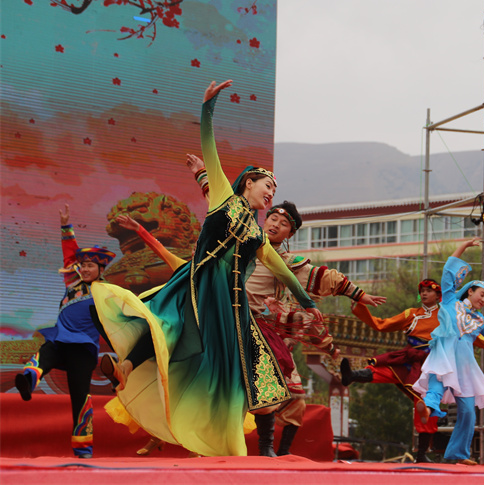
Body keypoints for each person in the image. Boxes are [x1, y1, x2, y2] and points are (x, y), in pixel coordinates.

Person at [91, 79, 318, 457]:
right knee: (167, 324)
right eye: (267, 186)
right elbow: (209, 149)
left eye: (274, 192)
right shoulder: (224, 198)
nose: (270, 194)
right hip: (199, 285)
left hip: (232, 309)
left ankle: (256, 446)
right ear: (249, 182)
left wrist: (307, 302)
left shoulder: (258, 235)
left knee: (247, 371)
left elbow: (283, 271)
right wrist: (207, 107)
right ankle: (127, 366)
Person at [187, 153, 386, 457]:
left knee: (267, 387)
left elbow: (324, 277)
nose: (275, 225)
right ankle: (205, 445)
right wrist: (202, 173)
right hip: (220, 318)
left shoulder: (287, 261)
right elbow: (220, 206)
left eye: (283, 224)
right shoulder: (244, 236)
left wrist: (358, 295)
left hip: (253, 325)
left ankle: (269, 450)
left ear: (290, 234)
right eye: (273, 219)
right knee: (211, 380)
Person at [14, 205, 116, 458]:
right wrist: (65, 225)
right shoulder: (73, 282)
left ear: (101, 269)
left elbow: (117, 322)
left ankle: (83, 448)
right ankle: (28, 381)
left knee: (80, 397)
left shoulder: (106, 292)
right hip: (60, 341)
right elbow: (70, 255)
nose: (85, 269)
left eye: (90, 266)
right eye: (84, 265)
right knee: (43, 355)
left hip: (83, 349)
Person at [411, 238, 484, 465]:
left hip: (465, 366)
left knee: (468, 413)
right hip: (443, 355)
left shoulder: (480, 320)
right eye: (482, 294)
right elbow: (449, 271)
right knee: (435, 388)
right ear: (470, 291)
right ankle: (428, 409)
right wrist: (464, 246)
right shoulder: (451, 300)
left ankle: (458, 455)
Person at [342, 278, 443, 463]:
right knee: (384, 369)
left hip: (430, 366)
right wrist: (360, 306)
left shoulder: (446, 315)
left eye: (429, 291)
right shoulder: (410, 314)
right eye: (422, 291)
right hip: (409, 358)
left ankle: (421, 454)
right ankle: (351, 376)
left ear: (438, 295)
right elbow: (381, 324)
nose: (424, 293)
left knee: (426, 406)